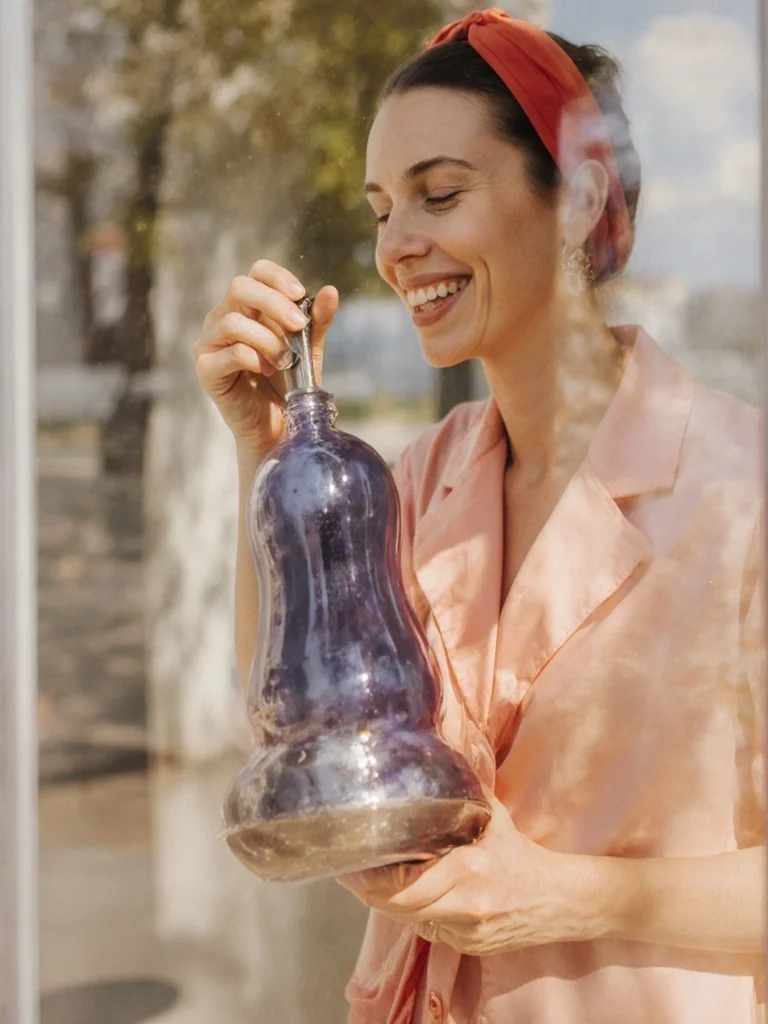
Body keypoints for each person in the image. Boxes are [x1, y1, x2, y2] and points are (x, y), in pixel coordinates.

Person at [193, 9, 765, 1023]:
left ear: (580, 193)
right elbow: (294, 715)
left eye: (440, 194)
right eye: (380, 209)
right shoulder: (415, 480)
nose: (397, 246)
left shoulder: (741, 491)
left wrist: (561, 894)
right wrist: (267, 450)